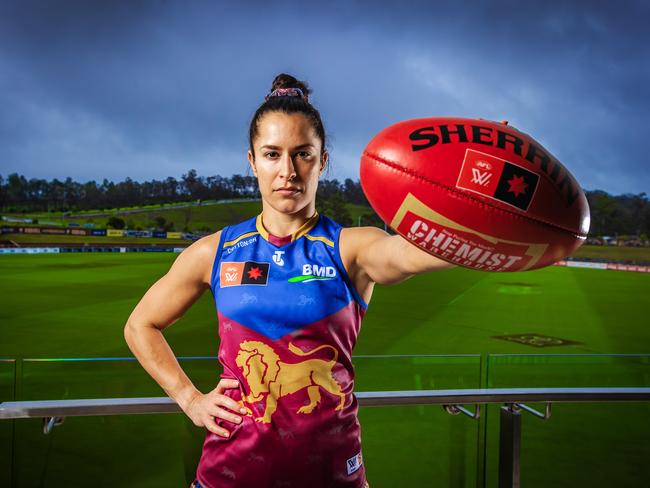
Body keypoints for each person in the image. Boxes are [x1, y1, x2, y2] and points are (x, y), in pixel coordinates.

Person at [124, 73, 454, 488]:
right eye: (271, 154)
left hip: (333, 474)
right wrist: (190, 399)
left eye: (302, 154)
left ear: (323, 161)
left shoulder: (350, 247)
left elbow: (411, 253)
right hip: (229, 474)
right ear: (252, 161)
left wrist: (480, 208)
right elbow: (140, 325)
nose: (287, 171)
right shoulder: (216, 251)